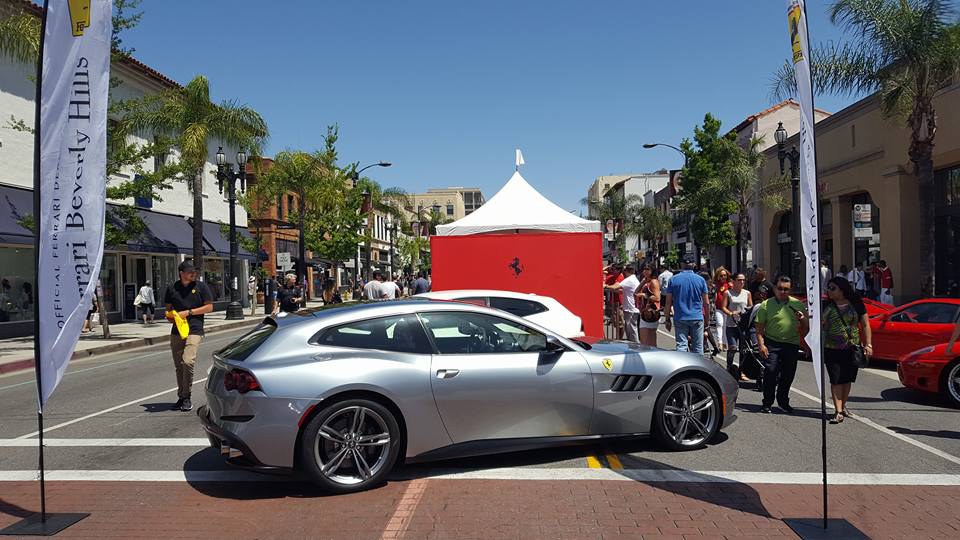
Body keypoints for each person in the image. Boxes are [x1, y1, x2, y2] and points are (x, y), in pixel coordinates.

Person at [755, 275, 809, 414]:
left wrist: (802, 320)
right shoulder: (766, 305)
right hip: (772, 343)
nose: (783, 292)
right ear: (774, 288)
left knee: (788, 375)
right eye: (780, 288)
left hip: (791, 344)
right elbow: (760, 328)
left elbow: (806, 328)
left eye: (786, 289)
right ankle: (767, 402)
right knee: (770, 372)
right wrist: (761, 345)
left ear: (790, 290)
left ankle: (783, 401)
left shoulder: (797, 304)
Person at [164, 260, 213, 412]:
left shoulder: (201, 287)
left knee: (188, 361)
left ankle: (187, 396)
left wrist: (189, 312)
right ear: (182, 273)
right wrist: (171, 316)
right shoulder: (172, 288)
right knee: (179, 366)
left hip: (195, 329)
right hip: (177, 330)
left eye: (195, 271)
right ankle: (182, 397)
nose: (194, 274)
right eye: (190, 271)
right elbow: (168, 310)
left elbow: (210, 307)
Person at [822, 276, 872, 424]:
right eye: (828, 288)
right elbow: (819, 324)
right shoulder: (826, 305)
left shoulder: (855, 303)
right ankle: (838, 411)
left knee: (847, 378)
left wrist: (868, 344)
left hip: (852, 347)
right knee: (836, 379)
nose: (829, 291)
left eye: (832, 288)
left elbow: (866, 324)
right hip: (831, 348)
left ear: (842, 289)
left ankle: (842, 407)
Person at [663, 255, 709, 354]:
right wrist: (707, 321)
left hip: (680, 316)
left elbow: (668, 302)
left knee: (681, 345)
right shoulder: (700, 280)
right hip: (696, 316)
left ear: (682, 264)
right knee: (698, 347)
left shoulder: (673, 280)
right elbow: (706, 303)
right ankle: (698, 368)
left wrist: (667, 319)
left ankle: (683, 367)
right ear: (694, 265)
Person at [721, 273, 753, 379]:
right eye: (739, 280)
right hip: (731, 325)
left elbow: (750, 306)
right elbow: (723, 307)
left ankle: (742, 371)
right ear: (733, 281)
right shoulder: (728, 293)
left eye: (743, 280)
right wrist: (731, 313)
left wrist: (747, 312)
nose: (742, 282)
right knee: (733, 347)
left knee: (743, 349)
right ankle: (729, 367)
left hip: (743, 325)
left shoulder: (747, 293)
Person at [605, 265, 641, 343]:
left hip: (630, 309)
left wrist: (606, 286)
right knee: (630, 331)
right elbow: (620, 289)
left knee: (632, 332)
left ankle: (636, 348)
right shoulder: (633, 279)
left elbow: (616, 287)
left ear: (626, 271)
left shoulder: (629, 280)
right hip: (631, 307)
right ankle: (633, 347)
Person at [636, 264, 661, 347]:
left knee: (645, 342)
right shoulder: (647, 281)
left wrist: (644, 295)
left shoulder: (654, 282)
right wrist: (643, 281)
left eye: (647, 269)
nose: (645, 271)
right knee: (649, 341)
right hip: (644, 311)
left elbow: (657, 298)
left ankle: (650, 357)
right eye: (644, 269)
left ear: (652, 271)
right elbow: (635, 292)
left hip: (650, 312)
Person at [702, 272, 722, 357]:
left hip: (704, 307)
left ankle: (708, 345)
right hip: (712, 306)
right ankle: (707, 345)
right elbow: (716, 297)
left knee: (705, 328)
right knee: (706, 327)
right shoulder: (713, 286)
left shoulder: (704, 286)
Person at [713, 267, 732, 351]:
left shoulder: (730, 284)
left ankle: (725, 343)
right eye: (721, 275)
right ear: (718, 276)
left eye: (724, 275)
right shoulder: (716, 284)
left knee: (725, 326)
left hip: (727, 308)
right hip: (718, 308)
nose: (723, 277)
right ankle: (720, 342)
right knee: (720, 323)